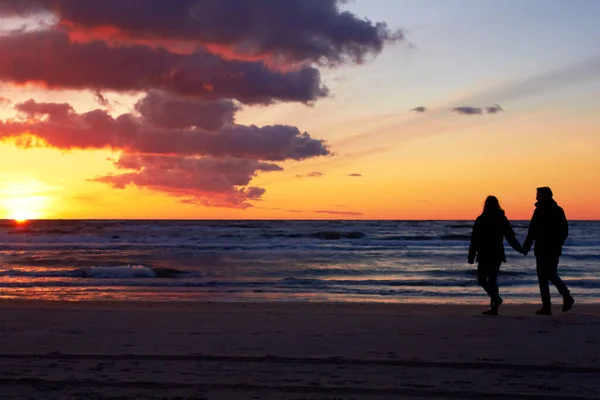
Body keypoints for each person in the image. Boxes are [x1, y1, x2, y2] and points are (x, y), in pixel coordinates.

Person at [522, 187, 574, 315]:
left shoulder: (542, 211)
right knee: (549, 274)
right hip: (550, 248)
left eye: (538, 195)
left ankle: (559, 300)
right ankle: (552, 303)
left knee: (546, 275)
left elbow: (532, 231)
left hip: (545, 248)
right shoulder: (557, 210)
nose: (536, 198)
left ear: (545, 196)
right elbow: (564, 230)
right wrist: (558, 243)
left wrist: (526, 247)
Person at [468, 196, 523, 315]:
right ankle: (494, 308)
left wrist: (471, 255)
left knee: (482, 279)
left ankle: (495, 299)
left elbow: (474, 239)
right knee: (493, 280)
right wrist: (520, 249)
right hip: (497, 253)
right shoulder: (501, 219)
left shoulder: (481, 219)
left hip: (484, 253)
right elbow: (510, 237)